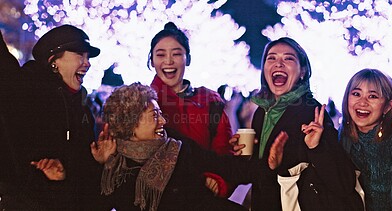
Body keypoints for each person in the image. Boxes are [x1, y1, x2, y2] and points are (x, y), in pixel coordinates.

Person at [230, 37, 363, 210]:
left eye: (288, 58)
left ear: (302, 72)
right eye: (271, 58)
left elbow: (343, 183)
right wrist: (244, 156)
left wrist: (316, 148)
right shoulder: (261, 112)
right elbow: (257, 174)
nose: (278, 64)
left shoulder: (312, 112)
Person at [90, 82, 248, 211]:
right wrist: (101, 165)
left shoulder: (175, 144)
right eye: (154, 116)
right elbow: (96, 204)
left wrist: (257, 159)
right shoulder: (116, 163)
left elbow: (224, 165)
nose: (163, 121)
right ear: (131, 123)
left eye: (160, 113)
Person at [0, 25, 103, 210]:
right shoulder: (24, 92)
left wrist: (100, 161)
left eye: (88, 57)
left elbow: (85, 180)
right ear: (53, 60)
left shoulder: (83, 111)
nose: (87, 63)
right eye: (80, 55)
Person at [148, 22, 232, 156]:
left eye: (176, 54)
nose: (168, 61)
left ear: (188, 59)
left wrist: (212, 176)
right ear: (152, 61)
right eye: (161, 55)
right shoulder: (142, 103)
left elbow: (223, 152)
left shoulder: (210, 101)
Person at [338, 69, 392, 210]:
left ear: (387, 106)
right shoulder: (344, 136)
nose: (362, 102)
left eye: (372, 96)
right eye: (356, 94)